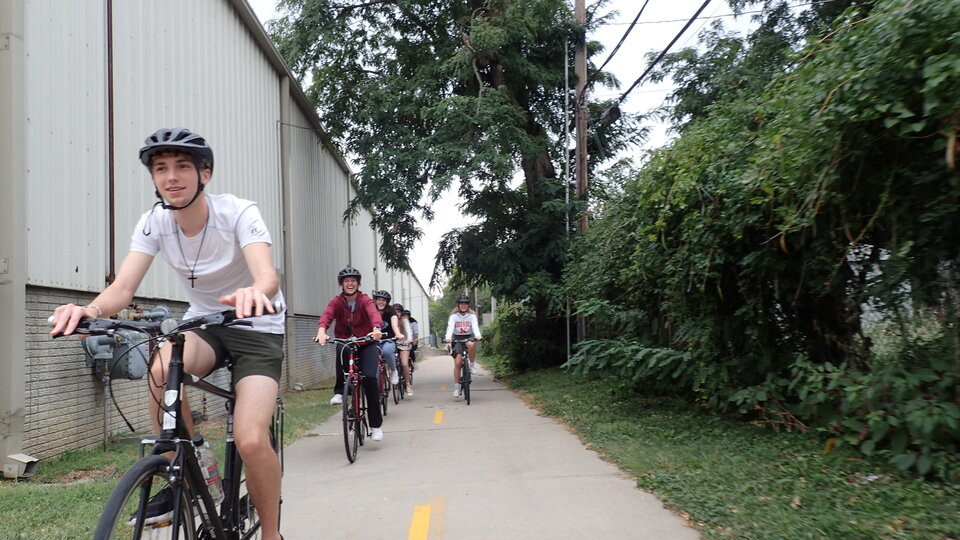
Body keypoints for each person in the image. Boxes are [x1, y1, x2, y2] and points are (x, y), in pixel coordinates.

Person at [49, 128, 285, 540]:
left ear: (204, 174)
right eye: (160, 169)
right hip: (203, 324)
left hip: (255, 324)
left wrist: (254, 292)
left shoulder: (238, 212)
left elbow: (266, 275)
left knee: (250, 439)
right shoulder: (154, 222)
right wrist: (88, 311)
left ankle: (271, 534)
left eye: (181, 167)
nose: (170, 177)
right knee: (161, 371)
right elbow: (122, 289)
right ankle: (188, 472)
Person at [314, 266, 385, 440]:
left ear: (358, 283)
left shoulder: (365, 300)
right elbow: (327, 315)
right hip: (346, 341)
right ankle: (340, 391)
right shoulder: (337, 302)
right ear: (341, 284)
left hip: (366, 342)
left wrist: (376, 328)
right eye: (346, 281)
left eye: (353, 281)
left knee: (369, 378)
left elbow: (374, 314)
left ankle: (376, 426)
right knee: (340, 350)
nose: (350, 284)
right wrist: (322, 330)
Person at [444, 295, 482, 398]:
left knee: (472, 344)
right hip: (457, 339)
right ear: (458, 305)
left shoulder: (472, 316)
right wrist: (448, 338)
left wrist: (478, 336)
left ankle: (472, 365)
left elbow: (475, 327)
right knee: (458, 363)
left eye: (465, 303)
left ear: (468, 305)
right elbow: (450, 328)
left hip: (468, 337)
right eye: (461, 303)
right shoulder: (454, 316)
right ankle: (457, 387)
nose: (463, 305)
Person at [372, 290, 403, 385]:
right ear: (376, 300)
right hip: (373, 341)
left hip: (388, 340)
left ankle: (394, 371)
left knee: (387, 351)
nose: (381, 302)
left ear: (387, 302)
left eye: (383, 300)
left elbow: (394, 324)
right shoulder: (371, 309)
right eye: (379, 300)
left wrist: (397, 333)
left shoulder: (391, 311)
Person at [396, 309, 415, 395]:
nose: (397, 313)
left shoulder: (404, 320)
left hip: (404, 344)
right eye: (395, 311)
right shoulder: (390, 319)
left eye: (398, 311)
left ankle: (408, 384)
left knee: (404, 363)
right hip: (393, 344)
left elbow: (409, 332)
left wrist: (409, 340)